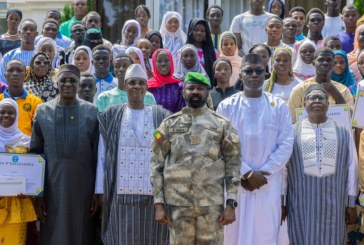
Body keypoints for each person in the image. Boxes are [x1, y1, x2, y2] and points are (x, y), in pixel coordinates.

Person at [151, 71, 241, 245]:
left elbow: (233, 163)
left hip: (211, 206)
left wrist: (231, 203)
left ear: (207, 92)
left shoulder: (222, 124)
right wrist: (159, 203)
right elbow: (156, 164)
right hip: (178, 205)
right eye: (191, 88)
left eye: (200, 88)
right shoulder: (168, 125)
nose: (195, 92)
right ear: (183, 91)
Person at [217, 54, 294, 245]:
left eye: (258, 71)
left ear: (266, 74)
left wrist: (263, 172)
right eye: (248, 71)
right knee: (232, 236)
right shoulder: (227, 106)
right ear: (240, 75)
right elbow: (220, 144)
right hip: (236, 185)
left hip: (268, 184)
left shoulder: (279, 106)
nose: (254, 75)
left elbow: (286, 144)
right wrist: (246, 172)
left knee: (265, 235)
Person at [96, 64, 169, 244]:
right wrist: (99, 190)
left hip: (153, 196)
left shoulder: (159, 116)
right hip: (120, 194)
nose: (136, 86)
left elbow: (166, 149)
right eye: (132, 83)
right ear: (125, 85)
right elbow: (102, 156)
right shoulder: (112, 116)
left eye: (141, 83)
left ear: (146, 87)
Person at [30, 64, 99, 245]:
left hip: (84, 190)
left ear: (78, 84)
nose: (68, 84)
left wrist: (96, 191)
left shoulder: (92, 112)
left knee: (82, 234)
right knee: (53, 234)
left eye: (73, 81)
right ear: (56, 83)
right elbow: (36, 154)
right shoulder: (43, 111)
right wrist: (39, 194)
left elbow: (98, 156)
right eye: (63, 80)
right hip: (52, 189)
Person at [286, 84, 357, 245]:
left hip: (334, 205)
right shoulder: (291, 132)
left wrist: (350, 203)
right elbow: (284, 171)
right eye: (312, 97)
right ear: (304, 103)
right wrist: (283, 203)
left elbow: (352, 168)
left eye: (321, 97)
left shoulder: (343, 132)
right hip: (301, 205)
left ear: (328, 103)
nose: (316, 101)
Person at [0, 99, 37, 245]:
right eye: (2, 112)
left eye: (11, 112)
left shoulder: (26, 142)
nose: (6, 115)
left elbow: (32, 172)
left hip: (17, 204)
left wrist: (29, 190)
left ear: (17, 115)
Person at [288, 47, 354, 123]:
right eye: (321, 60)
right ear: (313, 63)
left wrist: (337, 95)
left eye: (329, 60)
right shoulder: (300, 89)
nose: (325, 63)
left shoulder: (343, 90)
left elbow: (351, 118)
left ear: (333, 63)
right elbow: (291, 120)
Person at [0, 60, 42, 136]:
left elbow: (39, 131)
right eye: (11, 70)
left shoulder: (35, 102)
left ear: (26, 75)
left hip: (26, 146)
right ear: (5, 75)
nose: (15, 74)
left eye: (19, 71)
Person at [0, 19, 38, 84]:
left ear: (36, 34)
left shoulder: (40, 56)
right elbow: (2, 81)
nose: (28, 32)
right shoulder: (9, 56)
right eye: (25, 29)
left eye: (31, 30)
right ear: (20, 33)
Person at [147, 49, 185, 113]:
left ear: (171, 62)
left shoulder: (179, 86)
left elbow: (182, 110)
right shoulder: (148, 86)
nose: (163, 64)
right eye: (159, 61)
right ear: (154, 63)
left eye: (166, 60)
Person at [186, 18, 217, 84]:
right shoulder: (184, 51)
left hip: (207, 86)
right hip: (189, 86)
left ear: (206, 33)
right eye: (196, 30)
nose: (199, 33)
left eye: (202, 31)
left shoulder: (213, 52)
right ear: (191, 32)